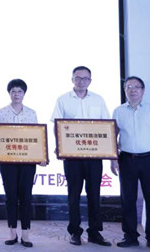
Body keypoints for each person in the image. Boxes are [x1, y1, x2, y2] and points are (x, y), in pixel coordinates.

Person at [50, 66, 112, 246]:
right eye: (78, 78)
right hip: (72, 157)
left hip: (94, 156)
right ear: (72, 80)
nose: (82, 81)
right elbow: (57, 126)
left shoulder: (98, 100)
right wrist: (60, 147)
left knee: (94, 194)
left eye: (85, 78)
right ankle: (75, 232)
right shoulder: (63, 100)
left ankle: (95, 232)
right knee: (74, 195)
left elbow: (106, 126)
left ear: (90, 81)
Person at [111, 76, 150, 251]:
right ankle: (130, 236)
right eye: (129, 87)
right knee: (127, 199)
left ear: (143, 90)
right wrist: (113, 159)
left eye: (136, 87)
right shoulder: (118, 111)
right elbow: (112, 136)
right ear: (125, 90)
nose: (133, 90)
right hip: (126, 159)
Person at [0, 79, 41, 248]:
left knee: (26, 196)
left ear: (24, 94)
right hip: (7, 161)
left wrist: (41, 156)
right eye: (13, 91)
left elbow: (37, 138)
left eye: (19, 91)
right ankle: (12, 232)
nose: (16, 94)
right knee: (10, 196)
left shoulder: (31, 113)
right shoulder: (1, 113)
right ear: (9, 93)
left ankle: (26, 233)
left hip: (27, 162)